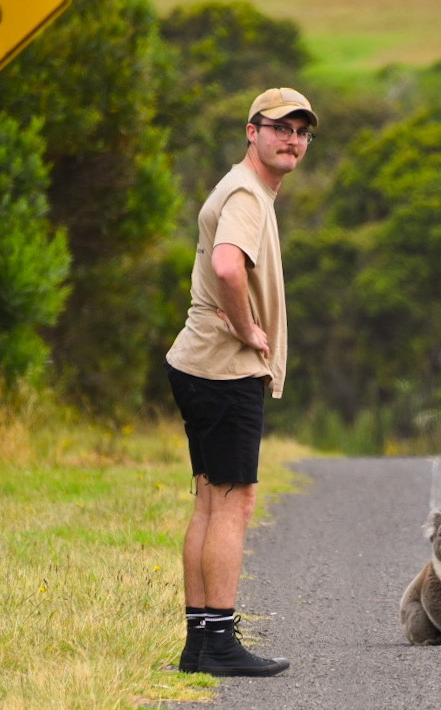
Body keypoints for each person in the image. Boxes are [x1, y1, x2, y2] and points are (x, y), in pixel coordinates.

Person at [165, 87, 318, 677]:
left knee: (210, 500)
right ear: (251, 131)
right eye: (281, 128)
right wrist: (249, 327)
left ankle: (200, 643)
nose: (293, 140)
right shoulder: (248, 194)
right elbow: (229, 265)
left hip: (199, 363)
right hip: (223, 369)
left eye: (302, 132)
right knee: (232, 502)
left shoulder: (241, 187)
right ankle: (221, 643)